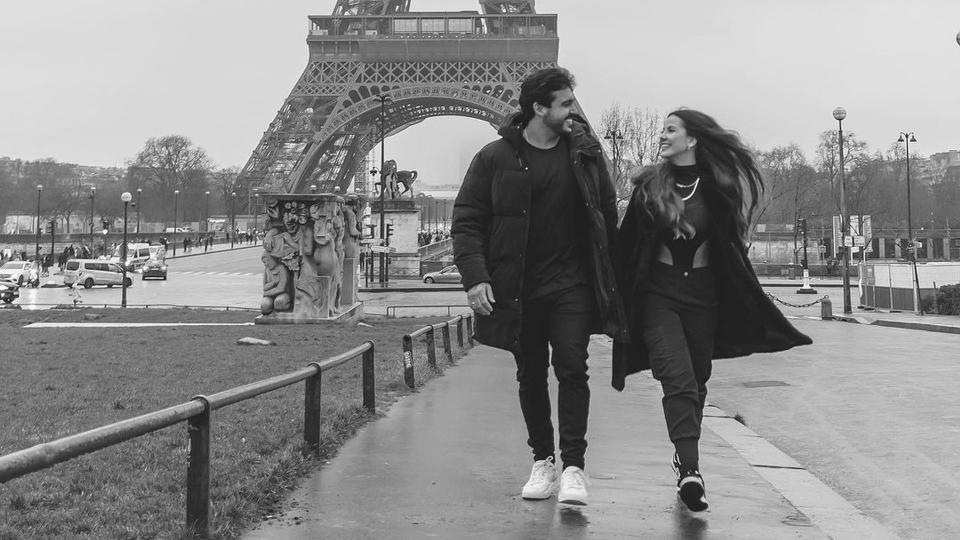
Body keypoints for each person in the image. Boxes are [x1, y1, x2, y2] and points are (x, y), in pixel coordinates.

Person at [613, 109, 812, 512]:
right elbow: (625, 246)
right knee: (679, 378)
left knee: (697, 379)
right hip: (658, 296)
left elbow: (731, 246)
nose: (663, 136)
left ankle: (685, 461)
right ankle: (690, 470)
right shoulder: (650, 186)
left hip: (704, 296)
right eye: (663, 130)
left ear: (693, 140)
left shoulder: (719, 187)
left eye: (671, 129)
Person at [452, 66, 626, 506]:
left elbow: (606, 217)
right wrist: (476, 278)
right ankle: (543, 460)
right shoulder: (494, 158)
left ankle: (573, 467)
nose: (574, 111)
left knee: (572, 367)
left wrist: (614, 276)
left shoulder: (585, 154)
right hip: (518, 287)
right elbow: (468, 222)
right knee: (530, 374)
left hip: (572, 285)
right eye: (565, 103)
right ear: (538, 108)